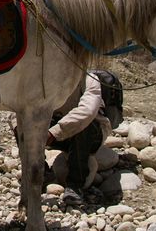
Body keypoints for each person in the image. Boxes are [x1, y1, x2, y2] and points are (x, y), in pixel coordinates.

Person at [46, 69, 123, 205]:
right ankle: (41, 172)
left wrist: (53, 132)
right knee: (24, 122)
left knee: (84, 125)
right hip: (59, 133)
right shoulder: (47, 76)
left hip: (91, 134)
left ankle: (75, 185)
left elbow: (87, 111)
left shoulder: (90, 79)